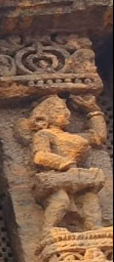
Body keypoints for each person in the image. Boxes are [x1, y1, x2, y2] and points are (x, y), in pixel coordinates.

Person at [23, 95, 108, 232]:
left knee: (90, 200)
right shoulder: (44, 134)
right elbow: (40, 156)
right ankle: (48, 229)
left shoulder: (74, 137)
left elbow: (99, 137)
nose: (66, 113)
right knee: (61, 201)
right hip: (54, 178)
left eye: (65, 110)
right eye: (59, 110)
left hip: (76, 178)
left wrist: (93, 110)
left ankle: (94, 228)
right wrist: (66, 163)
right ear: (46, 116)